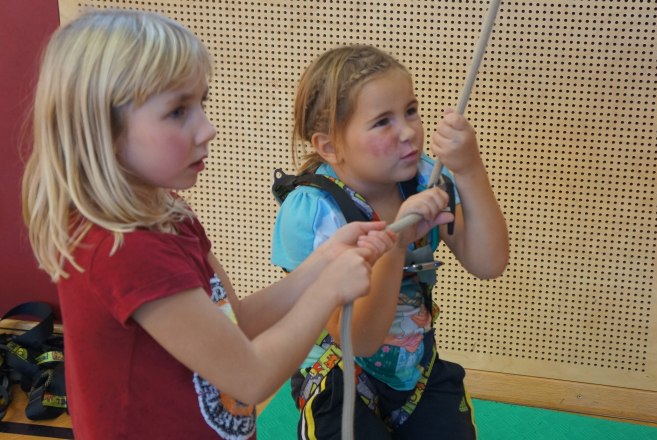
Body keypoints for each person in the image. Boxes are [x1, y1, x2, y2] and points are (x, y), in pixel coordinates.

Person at [21, 10, 398, 440]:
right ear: (102, 128)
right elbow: (249, 378)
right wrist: (330, 291)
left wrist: (325, 262)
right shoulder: (122, 248)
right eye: (178, 111)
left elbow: (237, 321)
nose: (208, 128)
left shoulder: (168, 214)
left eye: (202, 102)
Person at [272, 45, 509, 439]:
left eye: (411, 111)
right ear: (329, 146)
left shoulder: (425, 180)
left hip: (416, 374)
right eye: (383, 122)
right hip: (339, 380)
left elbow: (489, 263)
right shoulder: (315, 212)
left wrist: (469, 169)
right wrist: (396, 240)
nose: (408, 132)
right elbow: (360, 340)